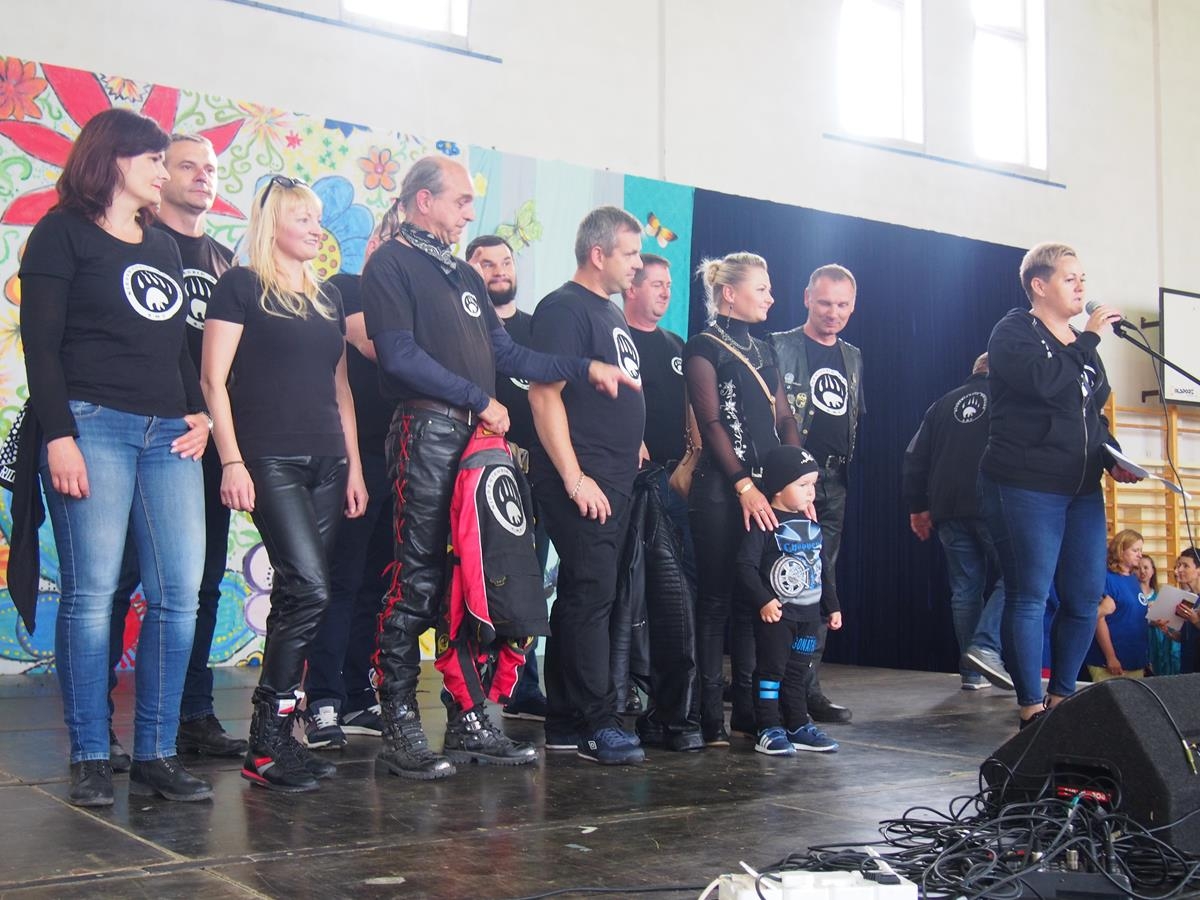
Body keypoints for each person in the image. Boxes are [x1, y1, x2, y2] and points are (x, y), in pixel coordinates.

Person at [362, 159, 638, 780]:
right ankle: (400, 723)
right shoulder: (390, 263)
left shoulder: (462, 273)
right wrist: (476, 397)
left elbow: (508, 352)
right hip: (426, 432)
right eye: (460, 201)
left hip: (474, 441)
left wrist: (582, 367)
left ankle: (469, 718)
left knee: (474, 583)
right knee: (416, 581)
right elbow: (398, 356)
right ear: (424, 200)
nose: (469, 211)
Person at [19, 108, 213, 806]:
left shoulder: (160, 244)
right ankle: (92, 755)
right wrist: (60, 434)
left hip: (168, 434)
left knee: (178, 595)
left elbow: (174, 346)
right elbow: (41, 345)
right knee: (92, 591)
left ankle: (157, 753)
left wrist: (199, 412)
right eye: (154, 159)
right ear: (115, 158)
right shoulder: (61, 232)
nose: (164, 170)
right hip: (93, 425)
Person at [202, 176, 368, 792]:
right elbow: (213, 380)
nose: (316, 229)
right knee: (310, 588)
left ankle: (276, 740)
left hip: (328, 461)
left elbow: (341, 389)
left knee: (299, 598)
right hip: (270, 458)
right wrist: (232, 461)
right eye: (303, 218)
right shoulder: (241, 286)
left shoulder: (328, 298)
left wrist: (353, 466)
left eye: (319, 219)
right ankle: (268, 742)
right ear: (272, 224)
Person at [106, 133, 245, 764]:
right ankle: (101, 721)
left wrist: (220, 431)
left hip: (207, 442)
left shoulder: (226, 264)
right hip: (140, 436)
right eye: (187, 165)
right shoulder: (135, 240)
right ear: (161, 174)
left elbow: (237, 365)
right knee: (119, 580)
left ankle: (193, 714)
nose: (201, 176)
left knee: (203, 583)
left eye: (210, 168)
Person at [977, 242, 1139, 729]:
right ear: (1039, 285)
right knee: (1029, 594)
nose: (1082, 287)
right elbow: (1044, 382)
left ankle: (1062, 698)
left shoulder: (1079, 343)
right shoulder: (1014, 331)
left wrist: (1114, 457)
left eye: (1083, 278)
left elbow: (1091, 414)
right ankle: (1031, 707)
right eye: (1071, 279)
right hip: (1025, 484)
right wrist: (1087, 340)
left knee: (1085, 598)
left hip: (1082, 489)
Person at [528, 206, 648, 766]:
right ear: (598, 254)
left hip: (614, 476)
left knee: (588, 593)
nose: (638, 264)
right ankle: (598, 723)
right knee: (591, 594)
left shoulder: (608, 311)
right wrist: (575, 479)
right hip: (584, 477)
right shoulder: (564, 308)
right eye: (630, 253)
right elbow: (543, 395)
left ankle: (564, 722)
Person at [683, 252, 801, 745]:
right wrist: (743, 484)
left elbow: (784, 417)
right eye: (762, 289)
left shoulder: (765, 349)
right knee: (715, 600)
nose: (771, 298)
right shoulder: (703, 346)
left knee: (758, 599)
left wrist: (796, 475)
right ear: (729, 294)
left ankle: (751, 711)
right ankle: (710, 714)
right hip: (720, 488)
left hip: (766, 490)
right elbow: (711, 423)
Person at [302, 232, 392, 750]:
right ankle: (322, 699)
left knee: (377, 585)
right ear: (376, 242)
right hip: (357, 460)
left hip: (404, 458)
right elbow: (374, 345)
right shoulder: (347, 286)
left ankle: (358, 692)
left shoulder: (413, 300)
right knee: (341, 580)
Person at [770, 265, 863, 725]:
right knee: (781, 579)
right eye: (825, 302)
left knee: (821, 581)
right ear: (807, 298)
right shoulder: (779, 346)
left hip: (834, 481)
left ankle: (806, 687)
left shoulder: (853, 356)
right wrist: (788, 479)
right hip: (787, 480)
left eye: (843, 304)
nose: (833, 312)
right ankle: (771, 686)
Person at [464, 233, 549, 723]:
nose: (499, 270)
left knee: (528, 581)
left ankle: (522, 685)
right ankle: (467, 689)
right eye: (486, 263)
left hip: (536, 476)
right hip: (479, 472)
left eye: (506, 262)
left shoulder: (537, 328)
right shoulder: (464, 325)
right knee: (476, 578)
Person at [902, 352, 1012, 692]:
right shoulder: (1009, 396)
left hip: (946, 508)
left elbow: (915, 457)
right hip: (993, 502)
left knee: (965, 590)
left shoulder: (941, 405)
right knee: (1019, 576)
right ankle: (985, 646)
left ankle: (972, 674)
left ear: (975, 370)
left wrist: (918, 507)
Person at [737, 446, 840, 756]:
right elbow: (745, 566)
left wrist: (832, 606)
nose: (811, 493)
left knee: (798, 673)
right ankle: (768, 727)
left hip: (808, 619)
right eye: (803, 485)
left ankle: (797, 724)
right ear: (779, 488)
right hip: (778, 618)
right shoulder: (766, 523)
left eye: (813, 485)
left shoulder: (812, 525)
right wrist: (764, 600)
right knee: (771, 671)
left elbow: (822, 570)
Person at [1085, 529, 1148, 681]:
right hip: (1111, 661)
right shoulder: (1106, 578)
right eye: (1135, 550)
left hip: (1135, 659)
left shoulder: (1132, 579)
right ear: (1120, 550)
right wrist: (1111, 657)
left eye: (1140, 550)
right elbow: (1099, 620)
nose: (1140, 555)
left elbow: (1132, 614)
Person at [1152, 548, 1200, 673]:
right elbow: (1186, 637)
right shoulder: (1188, 599)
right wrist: (1169, 632)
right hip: (1187, 665)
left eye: (1185, 566)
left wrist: (1195, 620)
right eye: (1178, 566)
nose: (1178, 570)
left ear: (1198, 570)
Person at [1142, 555, 1177, 676]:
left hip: (1158, 639)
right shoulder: (1131, 595)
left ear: (1153, 570)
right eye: (1137, 568)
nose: (1142, 571)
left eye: (1146, 567)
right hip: (1140, 637)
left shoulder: (1160, 595)